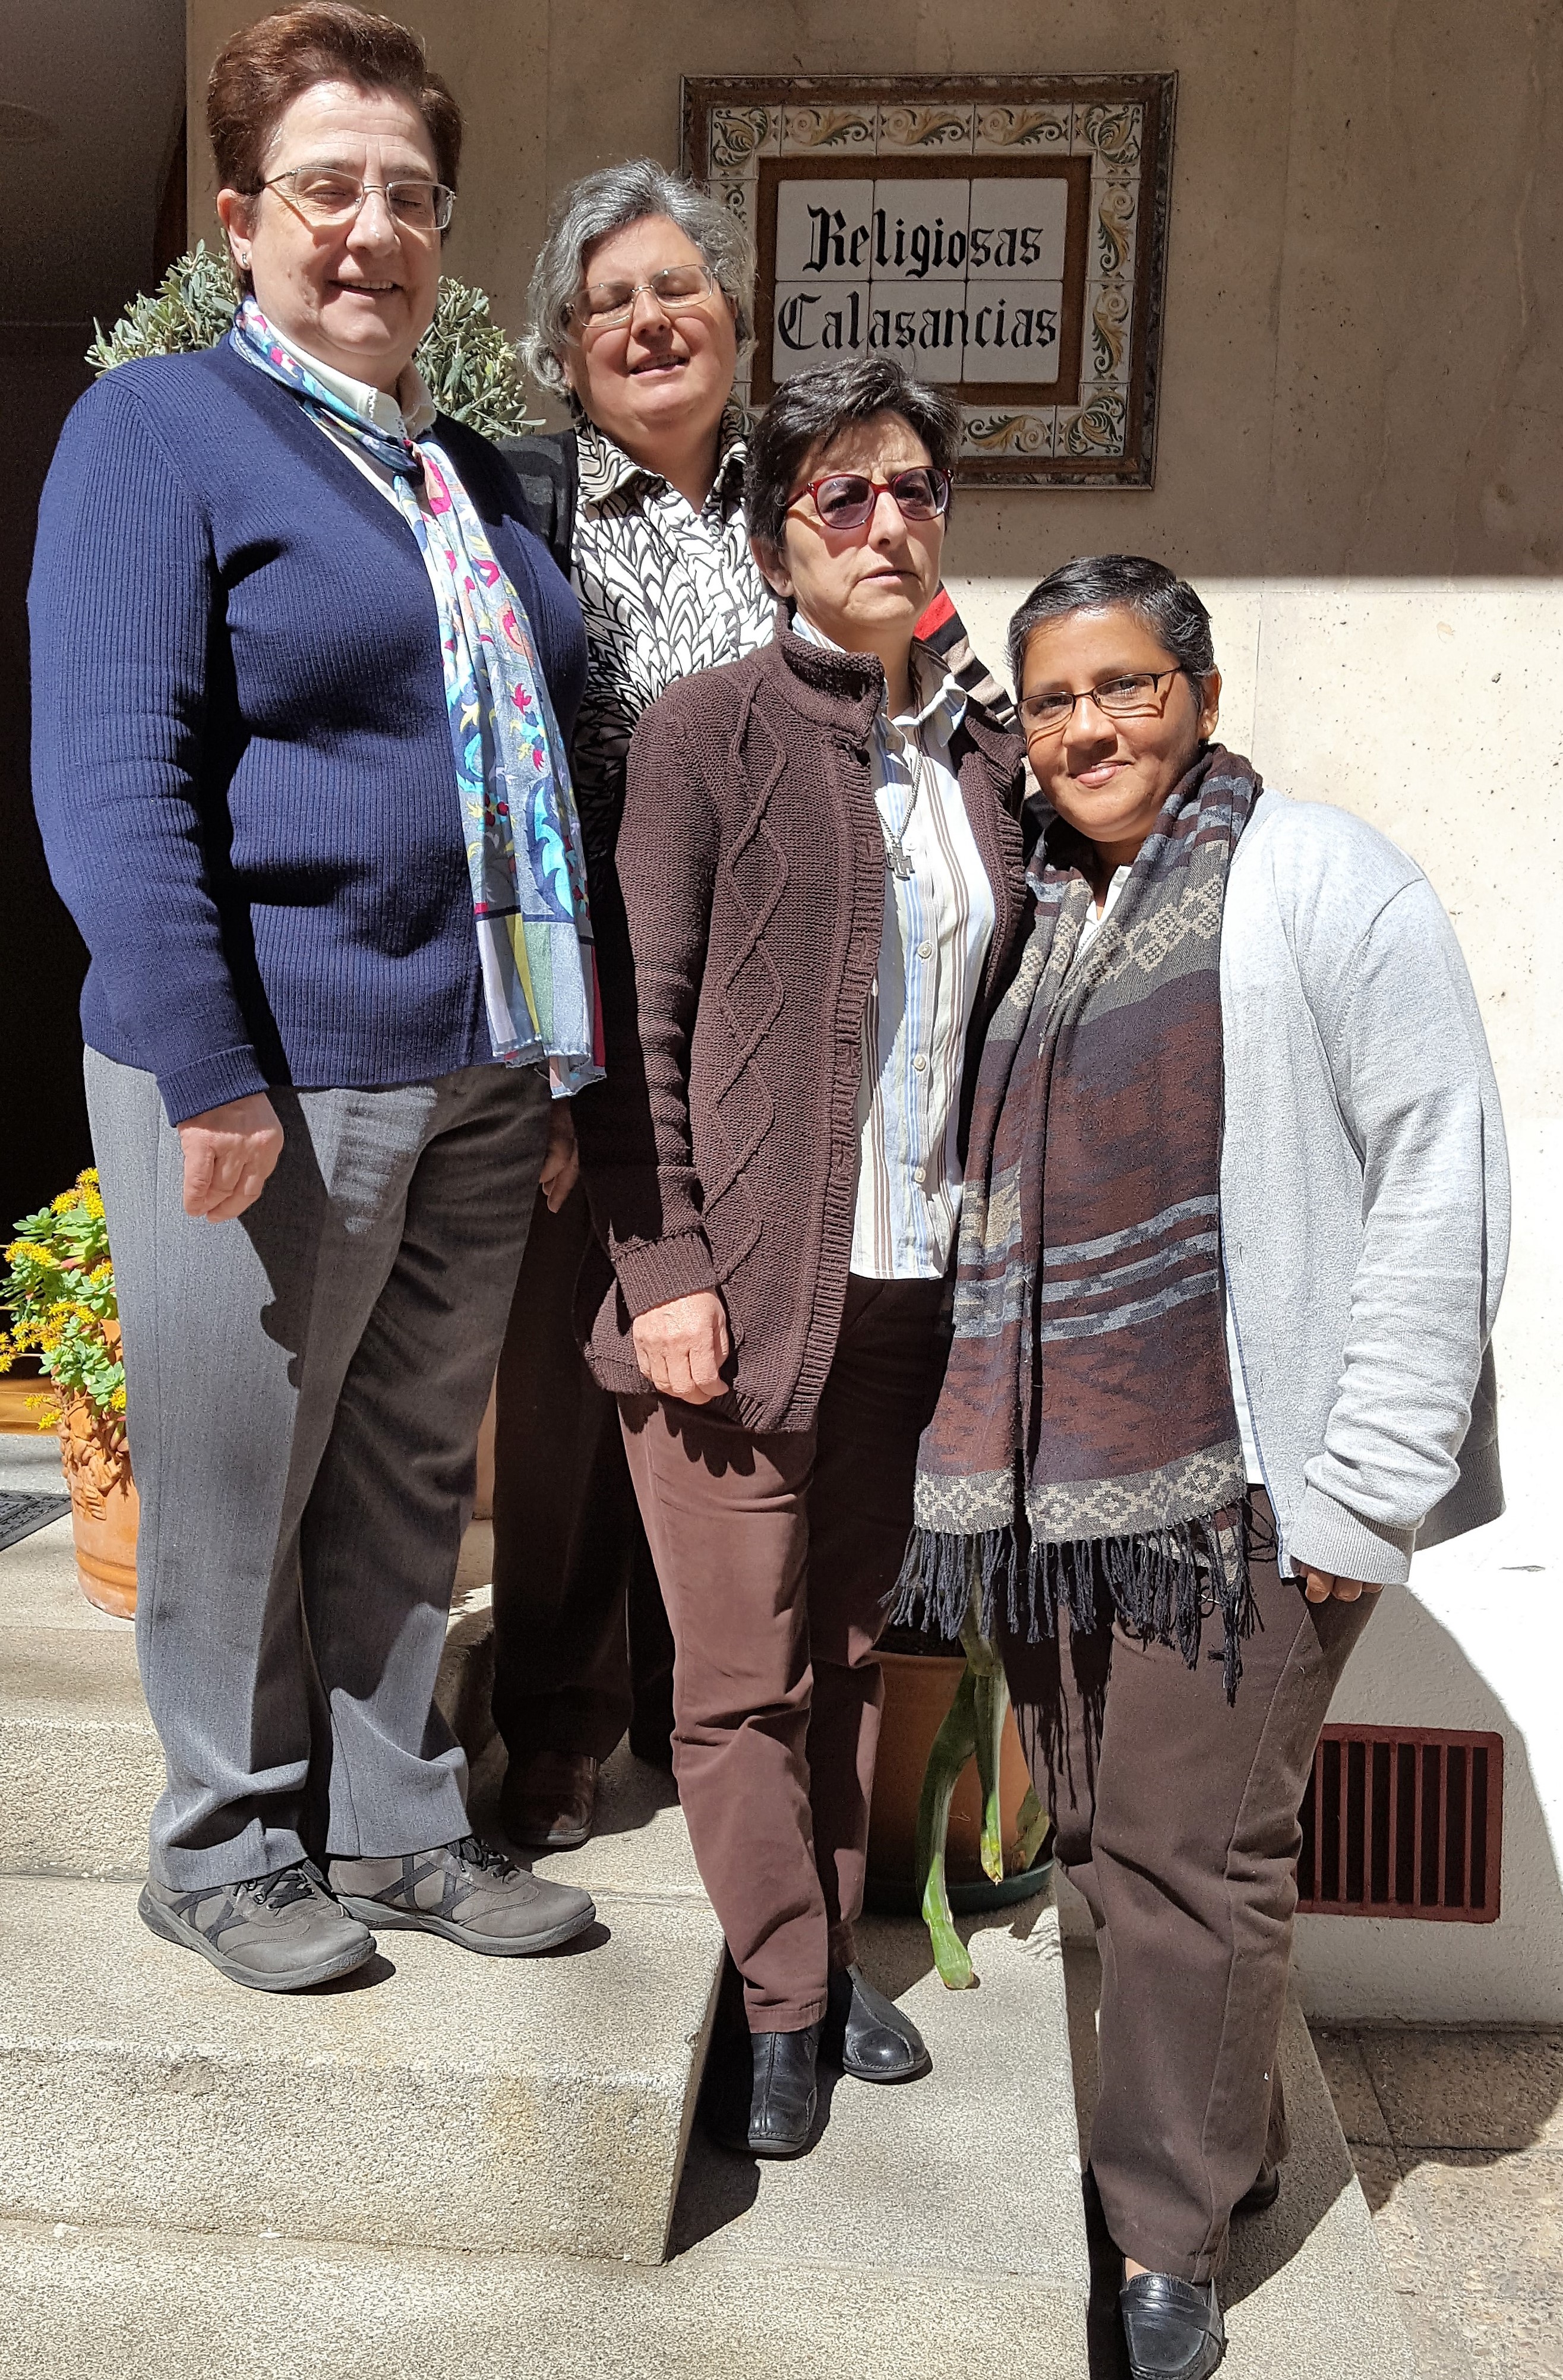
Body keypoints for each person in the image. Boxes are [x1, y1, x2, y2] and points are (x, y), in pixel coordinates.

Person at [27, 2, 598, 1993]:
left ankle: (392, 1824)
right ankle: (222, 1840)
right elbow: (114, 775)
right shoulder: (159, 433)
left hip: (476, 1057)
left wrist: (553, 1063)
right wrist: (206, 1065)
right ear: (241, 219)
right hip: (270, 1059)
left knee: (409, 1469)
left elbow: (528, 768)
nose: (373, 230)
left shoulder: (471, 476)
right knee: (234, 1472)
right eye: (328, 188)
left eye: (410, 195)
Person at [898, 555, 1508, 2378]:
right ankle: (1224, 2139)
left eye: (1128, 687)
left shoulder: (1317, 879)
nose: (1089, 727)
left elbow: (1440, 1176)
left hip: (1251, 1476)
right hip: (1064, 1492)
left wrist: (1368, 1483)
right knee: (1105, 1836)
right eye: (1056, 699)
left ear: (1204, 696)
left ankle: (1165, 2242)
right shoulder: (1043, 914)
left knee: (1185, 1853)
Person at [489, 160, 1007, 1853]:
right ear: (568, 344)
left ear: (733, 312)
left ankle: (693, 1714)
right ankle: (558, 1719)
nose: (649, 322)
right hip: (595, 1003)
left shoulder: (811, 487)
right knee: (582, 1385)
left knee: (752, 1384)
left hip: (776, 1016)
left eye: (678, 288)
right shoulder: (523, 508)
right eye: (609, 302)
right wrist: (553, 1069)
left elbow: (953, 677)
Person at [573, 355, 1032, 2155]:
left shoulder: (985, 761)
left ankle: (822, 1959)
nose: (885, 522)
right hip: (734, 1295)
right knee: (738, 1672)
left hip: (913, 1296)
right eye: (842, 495)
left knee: (845, 1647)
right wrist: (664, 1266)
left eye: (914, 490)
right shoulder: (708, 733)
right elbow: (633, 1025)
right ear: (776, 542)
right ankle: (780, 2002)